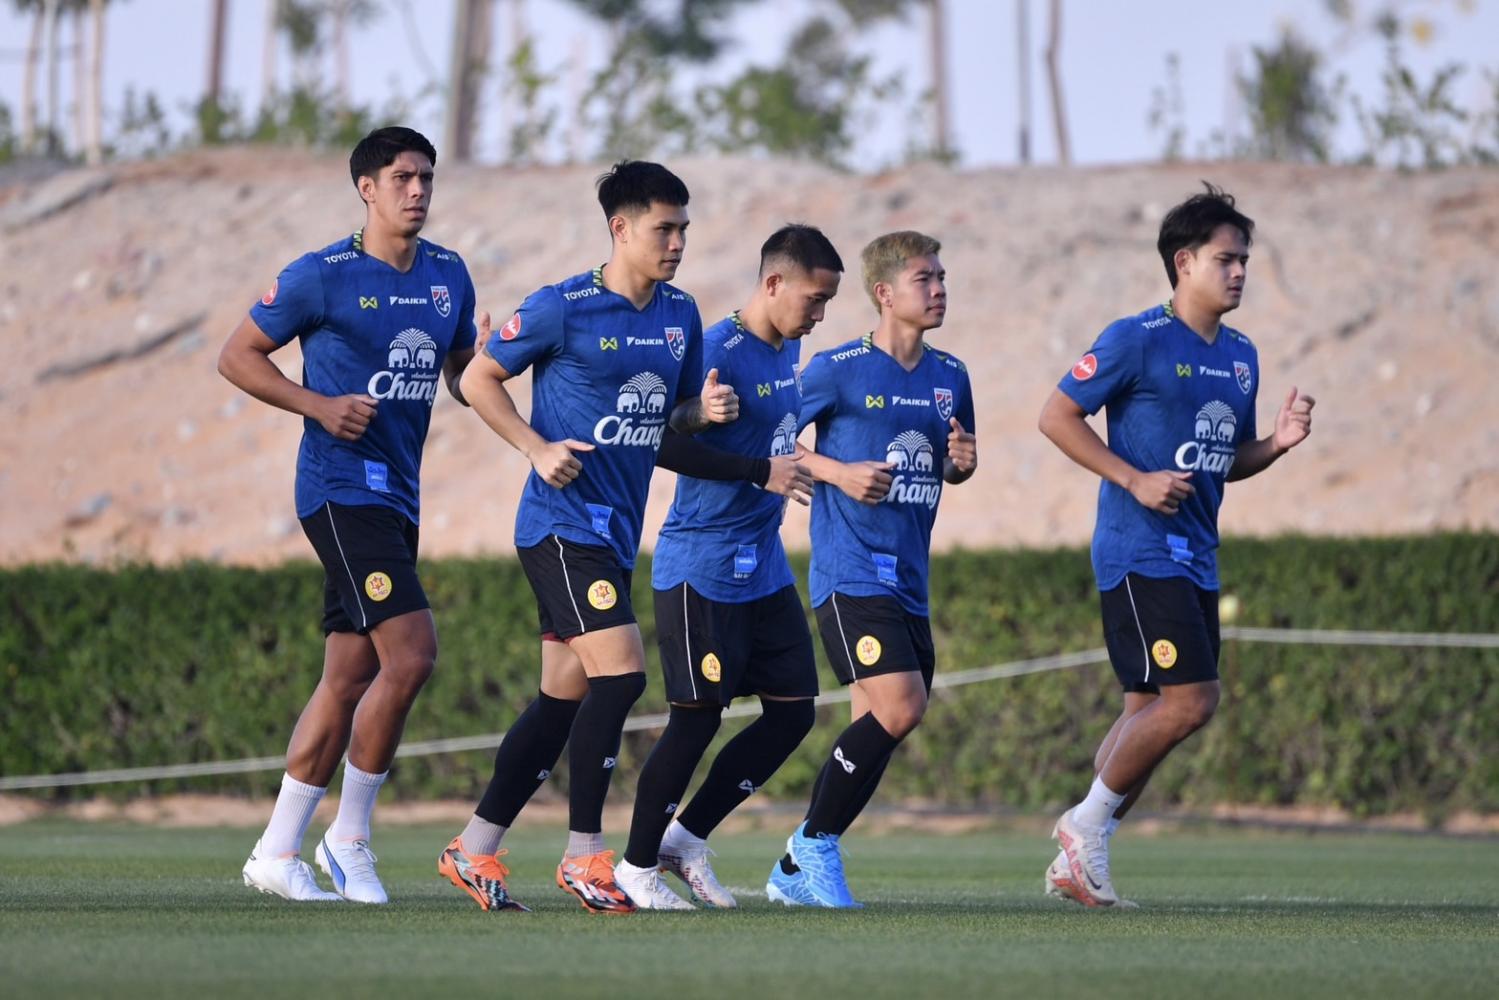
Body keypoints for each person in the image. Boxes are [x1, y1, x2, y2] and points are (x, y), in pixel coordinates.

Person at [438, 160, 737, 915]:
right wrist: (536, 447)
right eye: (663, 229)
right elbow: (478, 379)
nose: (676, 243)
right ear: (621, 228)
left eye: (682, 230)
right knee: (623, 674)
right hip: (559, 526)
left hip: (613, 533)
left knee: (558, 704)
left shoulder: (681, 314)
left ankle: (471, 849)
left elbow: (671, 422)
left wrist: (705, 411)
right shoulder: (561, 306)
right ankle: (584, 858)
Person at [218, 126, 478, 904]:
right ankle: (351, 837)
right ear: (366, 188)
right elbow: (237, 356)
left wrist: (495, 361)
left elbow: (461, 374)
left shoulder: (448, 276)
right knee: (412, 654)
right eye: (402, 177)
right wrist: (318, 406)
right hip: (337, 488)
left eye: (427, 177)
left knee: (349, 673)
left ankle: (274, 849)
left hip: (399, 494)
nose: (418, 191)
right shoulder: (320, 275)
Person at [1037, 183, 1315, 908]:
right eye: (1225, 259)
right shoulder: (1135, 337)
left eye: (1244, 260)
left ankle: (1077, 851)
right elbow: (1056, 416)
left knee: (1145, 713)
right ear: (1182, 261)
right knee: (1191, 702)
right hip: (1139, 550)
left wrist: (1274, 446)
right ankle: (1084, 827)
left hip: (1196, 555)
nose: (1239, 272)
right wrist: (1131, 479)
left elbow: (1224, 461)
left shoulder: (1241, 355)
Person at [611, 224, 843, 910]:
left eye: (828, 301)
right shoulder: (716, 348)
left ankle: (684, 839)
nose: (820, 314)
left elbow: (777, 436)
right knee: (696, 719)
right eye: (814, 298)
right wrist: (702, 418)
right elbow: (655, 435)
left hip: (762, 565)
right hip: (700, 564)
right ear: (773, 284)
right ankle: (634, 866)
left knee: (793, 711)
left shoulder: (789, 345)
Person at [766, 231, 978, 909]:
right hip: (850, 571)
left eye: (942, 277)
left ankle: (793, 875)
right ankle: (813, 845)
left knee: (883, 725)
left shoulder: (952, 375)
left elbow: (952, 461)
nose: (939, 289)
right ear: (884, 293)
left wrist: (960, 465)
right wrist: (837, 472)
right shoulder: (836, 368)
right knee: (901, 705)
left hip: (910, 579)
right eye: (925, 279)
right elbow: (775, 437)